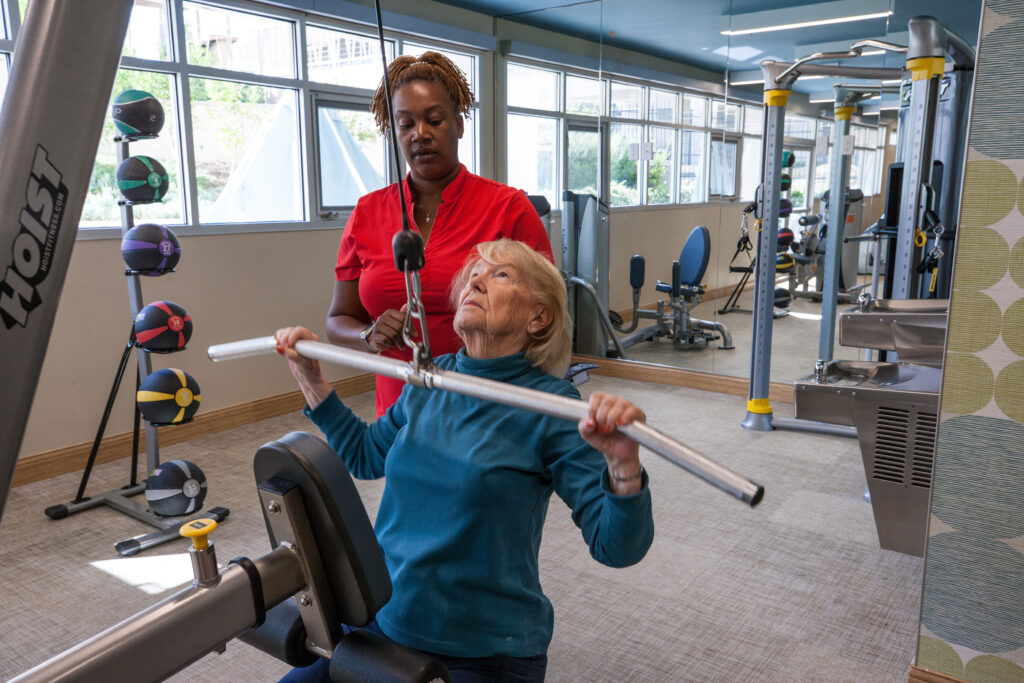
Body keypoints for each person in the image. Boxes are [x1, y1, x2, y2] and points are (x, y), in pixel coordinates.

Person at [276, 239, 654, 682]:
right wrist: (310, 379)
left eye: (501, 274)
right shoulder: (429, 380)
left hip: (483, 652)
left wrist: (623, 465)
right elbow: (365, 456)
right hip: (383, 621)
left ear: (538, 316)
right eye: (474, 272)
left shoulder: (553, 407)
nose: (476, 279)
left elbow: (617, 548)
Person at [327, 51, 553, 417]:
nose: (420, 134)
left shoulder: (508, 208)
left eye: (435, 120)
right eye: (405, 124)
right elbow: (338, 320)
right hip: (399, 414)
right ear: (394, 132)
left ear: (459, 124)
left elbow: (545, 318)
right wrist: (369, 336)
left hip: (486, 410)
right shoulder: (367, 212)